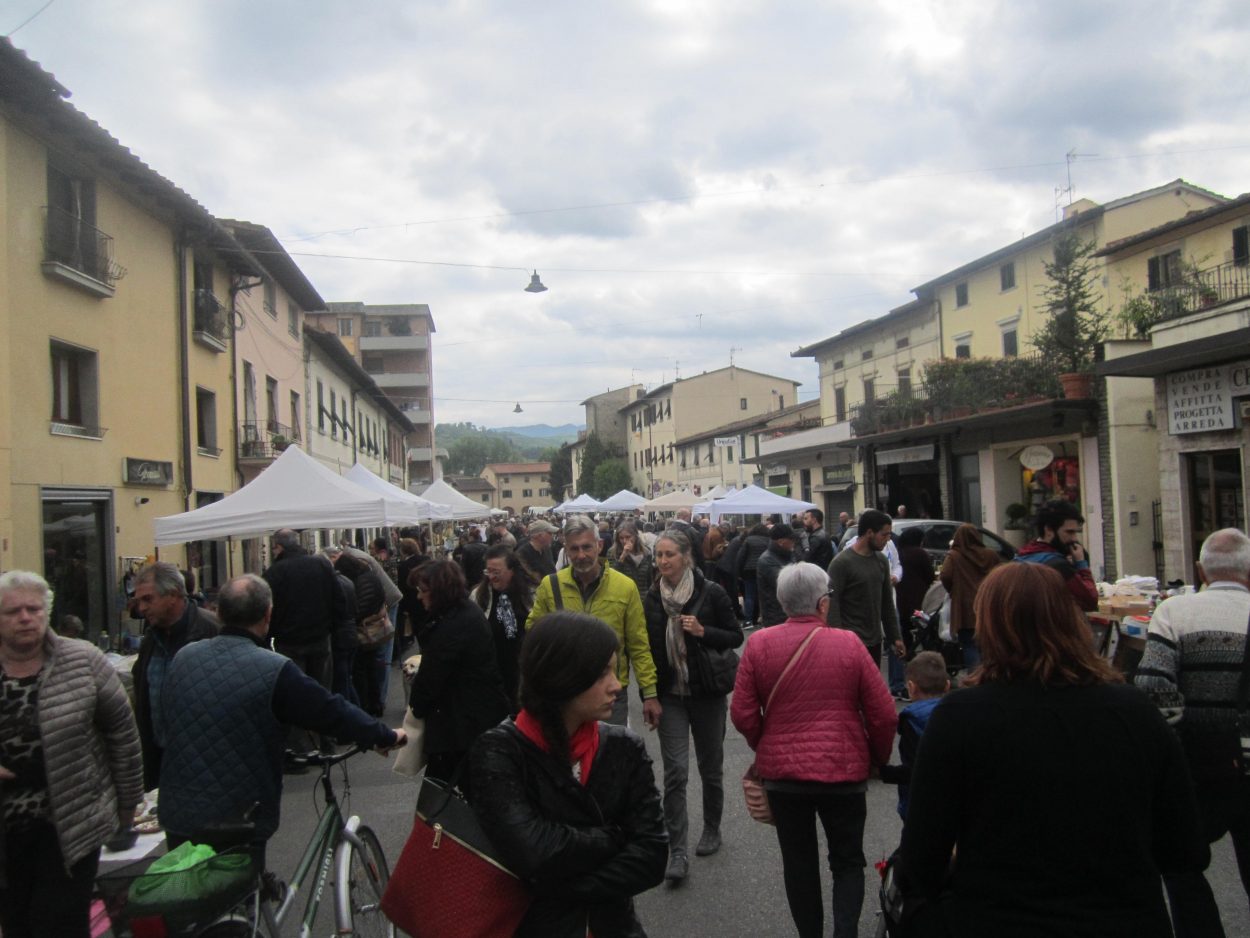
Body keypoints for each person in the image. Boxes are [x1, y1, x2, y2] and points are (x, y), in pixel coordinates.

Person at [898, 563, 1211, 938]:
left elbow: (920, 864)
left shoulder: (961, 718)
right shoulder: (1135, 712)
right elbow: (1185, 850)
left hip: (999, 918)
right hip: (1125, 919)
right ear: (1071, 620)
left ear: (989, 628)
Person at [158, 575, 403, 858]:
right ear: (268, 615)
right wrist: (384, 735)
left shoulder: (184, 657)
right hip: (237, 814)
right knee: (239, 886)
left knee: (188, 887)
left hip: (177, 810)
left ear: (219, 613)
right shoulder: (271, 668)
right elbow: (328, 710)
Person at [469, 612, 668, 937]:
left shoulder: (623, 747)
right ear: (563, 676)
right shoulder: (500, 752)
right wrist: (614, 838)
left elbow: (653, 857)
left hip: (614, 927)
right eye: (602, 673)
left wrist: (555, 886)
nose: (617, 685)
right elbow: (532, 851)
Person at [731, 563, 896, 938]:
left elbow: (741, 712)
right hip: (843, 770)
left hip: (784, 778)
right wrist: (876, 757)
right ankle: (845, 932)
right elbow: (884, 714)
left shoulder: (758, 643)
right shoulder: (849, 643)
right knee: (847, 859)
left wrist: (767, 743)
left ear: (782, 601)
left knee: (799, 862)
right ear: (823, 604)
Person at [0, 571, 143, 938]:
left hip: (71, 822)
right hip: (6, 830)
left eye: (33, 609)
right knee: (15, 922)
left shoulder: (82, 660)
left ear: (47, 613)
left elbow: (122, 735)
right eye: (13, 611)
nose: (25, 618)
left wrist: (127, 808)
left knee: (59, 923)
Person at [1135, 527, 1250, 934]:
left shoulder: (1174, 613)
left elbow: (1151, 688)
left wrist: (1180, 739)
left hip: (1198, 768)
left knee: (1180, 864)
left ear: (1200, 569)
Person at [642, 529, 743, 883]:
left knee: (710, 766)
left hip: (706, 693)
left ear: (687, 557)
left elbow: (735, 635)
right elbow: (645, 650)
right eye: (658, 555)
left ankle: (712, 828)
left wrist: (703, 632)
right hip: (670, 695)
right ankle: (678, 850)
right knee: (675, 773)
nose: (663, 561)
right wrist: (648, 694)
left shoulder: (711, 592)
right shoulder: (651, 598)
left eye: (669, 554)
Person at [527, 515, 662, 730]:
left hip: (610, 693)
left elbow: (639, 645)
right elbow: (533, 634)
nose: (581, 555)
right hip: (565, 691)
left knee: (609, 758)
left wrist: (650, 693)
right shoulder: (551, 585)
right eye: (574, 549)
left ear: (599, 546)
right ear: (566, 549)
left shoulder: (625, 587)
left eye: (587, 547)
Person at [408, 560, 510, 788]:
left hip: (461, 726)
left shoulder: (453, 624)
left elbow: (432, 677)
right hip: (472, 719)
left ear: (438, 591)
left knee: (443, 798)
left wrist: (417, 705)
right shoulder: (462, 613)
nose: (419, 597)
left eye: (423, 591)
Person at [132, 561, 219, 788]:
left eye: (147, 599)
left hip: (206, 762)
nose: (141, 608)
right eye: (139, 600)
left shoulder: (212, 631)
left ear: (172, 595)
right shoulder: (152, 638)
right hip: (159, 759)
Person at [262, 529, 344, 756]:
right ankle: (327, 743)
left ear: (278, 547)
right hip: (320, 638)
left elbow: (268, 609)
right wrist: (333, 630)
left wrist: (271, 635)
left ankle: (300, 749)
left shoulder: (275, 572)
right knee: (322, 692)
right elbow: (339, 599)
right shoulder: (321, 566)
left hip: (290, 642)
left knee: (295, 694)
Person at [826, 509, 906, 665]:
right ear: (869, 533)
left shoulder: (881, 561)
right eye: (884, 534)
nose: (888, 539)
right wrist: (838, 641)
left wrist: (895, 637)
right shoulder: (841, 563)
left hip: (874, 641)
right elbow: (832, 604)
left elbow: (887, 603)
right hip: (850, 642)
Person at [878, 651, 949, 820]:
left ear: (911, 688)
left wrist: (883, 772)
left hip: (919, 803)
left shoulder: (913, 720)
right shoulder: (955, 713)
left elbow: (913, 770)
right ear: (947, 686)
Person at [472, 545, 536, 712]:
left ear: (512, 570)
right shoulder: (479, 595)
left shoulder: (531, 593)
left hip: (523, 667)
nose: (491, 577)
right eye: (488, 571)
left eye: (496, 572)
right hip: (494, 668)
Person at [1013, 498, 1098, 611]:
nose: (1074, 538)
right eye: (1069, 532)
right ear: (1048, 530)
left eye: (1075, 532)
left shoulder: (1019, 557)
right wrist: (1081, 564)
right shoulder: (1058, 566)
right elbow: (1089, 600)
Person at [938, 523, 1001, 672]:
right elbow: (1000, 576)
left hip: (964, 607)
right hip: (988, 605)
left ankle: (974, 677)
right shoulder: (991, 555)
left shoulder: (954, 556)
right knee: (989, 642)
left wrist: (954, 590)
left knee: (969, 644)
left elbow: (945, 575)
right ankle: (990, 674)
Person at [333, 551, 389, 717]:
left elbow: (362, 607)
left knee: (362, 671)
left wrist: (352, 617)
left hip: (366, 633)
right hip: (369, 632)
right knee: (369, 669)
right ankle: (374, 704)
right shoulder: (367, 576)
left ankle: (366, 706)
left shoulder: (363, 580)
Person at [756, 523, 798, 627]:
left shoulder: (788, 554)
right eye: (791, 540)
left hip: (789, 612)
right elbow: (786, 584)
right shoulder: (767, 560)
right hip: (776, 616)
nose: (794, 543)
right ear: (781, 542)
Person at [734, 523, 771, 626]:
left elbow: (740, 557)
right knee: (763, 595)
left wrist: (738, 572)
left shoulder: (748, 540)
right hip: (764, 570)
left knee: (749, 595)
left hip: (749, 570)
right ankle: (764, 618)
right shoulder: (769, 540)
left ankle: (748, 620)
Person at [610, 522, 655, 597]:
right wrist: (623, 556)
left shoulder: (647, 553)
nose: (624, 541)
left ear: (635, 536)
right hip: (623, 597)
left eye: (628, 537)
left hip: (643, 598)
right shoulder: (613, 552)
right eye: (621, 538)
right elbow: (611, 577)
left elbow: (649, 579)